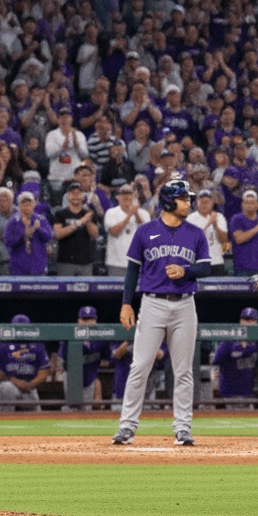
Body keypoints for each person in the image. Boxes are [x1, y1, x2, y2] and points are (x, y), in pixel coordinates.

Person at [112, 179, 210, 447]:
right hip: (152, 303)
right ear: (169, 202)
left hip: (184, 303)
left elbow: (205, 268)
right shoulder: (146, 231)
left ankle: (183, 428)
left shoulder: (196, 233)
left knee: (183, 370)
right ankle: (127, 427)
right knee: (140, 365)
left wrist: (186, 271)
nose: (189, 202)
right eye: (183, 198)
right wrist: (126, 303)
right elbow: (132, 270)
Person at [0, 314, 49, 410]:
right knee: (6, 387)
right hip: (10, 384)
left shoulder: (37, 346)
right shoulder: (3, 346)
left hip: (29, 386)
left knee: (37, 418)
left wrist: (30, 384)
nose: (20, 330)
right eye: (17, 327)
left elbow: (44, 372)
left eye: (23, 327)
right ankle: (6, 420)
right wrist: (14, 381)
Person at [58, 305, 108, 409]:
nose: (88, 323)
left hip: (90, 378)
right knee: (72, 408)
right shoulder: (69, 336)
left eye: (91, 319)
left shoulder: (102, 338)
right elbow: (62, 360)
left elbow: (108, 359)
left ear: (95, 321)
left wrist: (96, 382)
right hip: (72, 378)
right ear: (79, 321)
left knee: (86, 411)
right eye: (85, 319)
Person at [211, 307, 258, 405]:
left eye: (252, 320)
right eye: (245, 319)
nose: (248, 323)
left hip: (249, 394)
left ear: (256, 322)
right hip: (228, 395)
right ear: (240, 321)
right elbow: (215, 366)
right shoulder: (227, 343)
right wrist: (215, 390)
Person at [50, 181, 97, 275]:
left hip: (85, 262)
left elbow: (94, 235)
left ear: (83, 196)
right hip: (65, 261)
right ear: (68, 196)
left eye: (78, 193)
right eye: (72, 193)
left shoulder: (88, 214)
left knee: (87, 289)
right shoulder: (61, 214)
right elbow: (58, 234)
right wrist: (80, 222)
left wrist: (87, 220)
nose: (75, 196)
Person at [104, 183, 151, 276]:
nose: (126, 197)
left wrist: (136, 213)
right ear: (118, 197)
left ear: (134, 197)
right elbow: (114, 232)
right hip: (116, 263)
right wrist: (129, 215)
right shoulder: (111, 213)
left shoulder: (144, 214)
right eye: (123, 194)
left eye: (129, 194)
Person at [4, 190, 54, 275]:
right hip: (19, 268)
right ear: (19, 205)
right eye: (24, 203)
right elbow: (8, 242)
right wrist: (23, 236)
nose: (27, 206)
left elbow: (49, 236)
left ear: (34, 204)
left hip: (38, 267)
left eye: (29, 203)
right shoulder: (12, 222)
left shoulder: (41, 219)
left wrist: (38, 229)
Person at [230, 189, 258, 276]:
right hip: (243, 269)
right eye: (247, 202)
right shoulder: (237, 219)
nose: (250, 205)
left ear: (257, 204)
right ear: (242, 204)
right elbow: (239, 239)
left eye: (253, 202)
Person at [186, 188, 229, 274]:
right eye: (202, 202)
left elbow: (224, 240)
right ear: (197, 203)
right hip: (198, 262)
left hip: (216, 261)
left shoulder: (219, 217)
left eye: (207, 202)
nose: (204, 205)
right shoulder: (190, 219)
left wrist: (215, 225)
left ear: (212, 203)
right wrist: (209, 223)